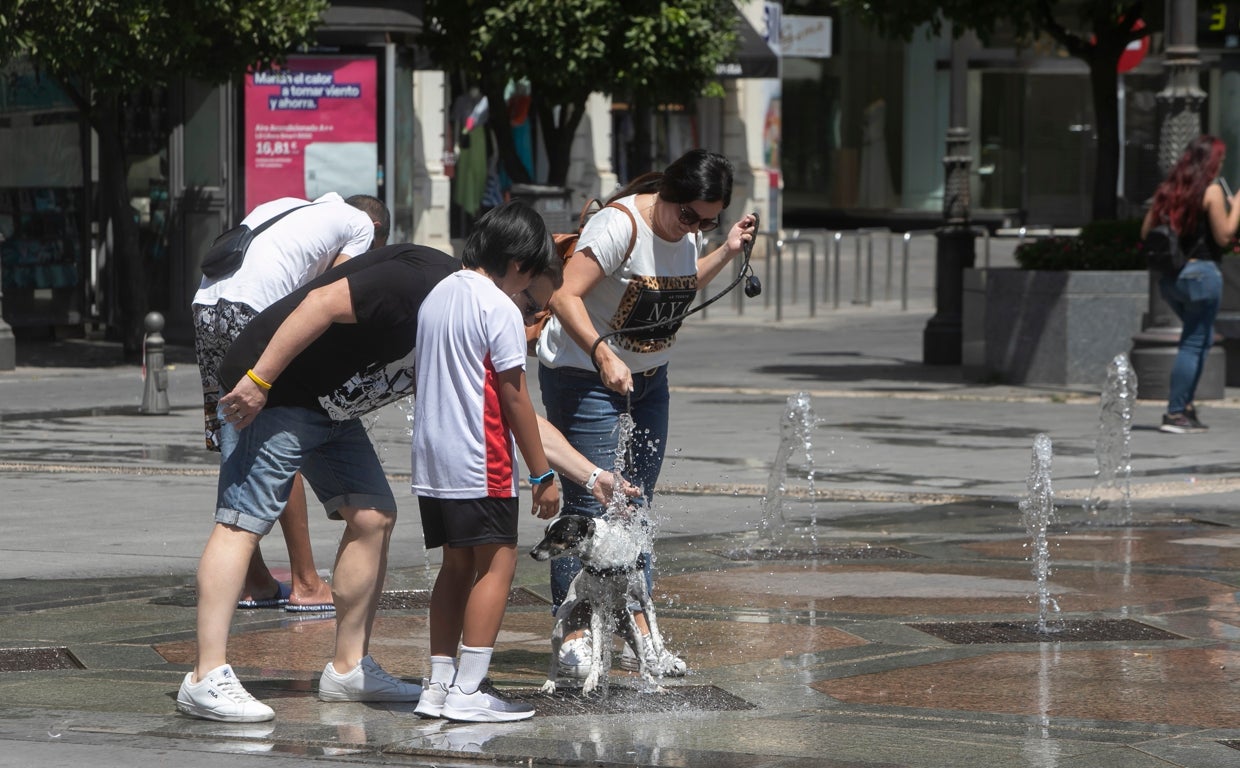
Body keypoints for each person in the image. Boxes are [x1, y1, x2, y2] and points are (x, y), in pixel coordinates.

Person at [177, 231, 634, 723]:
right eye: (530, 308)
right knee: (243, 520)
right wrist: (260, 380)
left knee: (372, 516)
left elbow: (513, 412)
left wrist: (592, 477)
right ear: (513, 272)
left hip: (331, 406)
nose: (529, 324)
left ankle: (349, 668)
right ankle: (206, 676)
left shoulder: (475, 317)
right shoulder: (421, 281)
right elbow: (322, 301)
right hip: (275, 389)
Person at [535, 149, 758, 678]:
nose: (695, 227)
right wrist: (603, 353)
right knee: (593, 502)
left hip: (649, 381)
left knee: (636, 511)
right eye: (689, 216)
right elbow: (566, 296)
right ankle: (576, 633)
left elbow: (678, 287)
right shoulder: (621, 225)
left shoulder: (690, 231)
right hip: (584, 376)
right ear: (670, 194)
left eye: (709, 220)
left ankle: (641, 634)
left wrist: (725, 250)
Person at [192, 191, 390, 614]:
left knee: (236, 434)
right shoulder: (357, 226)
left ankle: (256, 579)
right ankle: (305, 581)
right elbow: (336, 296)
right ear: (375, 234)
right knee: (281, 435)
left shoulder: (288, 206)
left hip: (206, 309)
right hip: (254, 311)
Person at [410, 202, 560, 723]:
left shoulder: (438, 294)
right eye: (531, 275)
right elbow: (515, 397)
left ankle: (438, 685)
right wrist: (542, 474)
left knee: (456, 564)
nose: (527, 288)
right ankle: (469, 693)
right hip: (481, 456)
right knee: (498, 564)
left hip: (433, 458)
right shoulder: (497, 307)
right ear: (518, 263)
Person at [1141, 135, 1240, 434]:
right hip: (1202, 275)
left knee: (1201, 338)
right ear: (1210, 162)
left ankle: (1185, 406)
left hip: (1172, 279)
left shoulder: (1168, 191)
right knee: (1195, 341)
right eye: (1220, 160)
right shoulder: (1211, 192)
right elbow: (1224, 237)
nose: (1221, 165)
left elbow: (1146, 231)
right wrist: (1236, 206)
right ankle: (1175, 413)